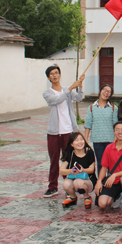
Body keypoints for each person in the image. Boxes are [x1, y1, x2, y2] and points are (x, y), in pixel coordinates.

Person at [42, 65, 85, 198]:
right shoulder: (47, 93)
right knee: (54, 160)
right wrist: (71, 88)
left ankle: (69, 186)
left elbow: (79, 98)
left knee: (69, 159)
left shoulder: (67, 90)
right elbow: (57, 100)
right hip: (54, 133)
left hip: (68, 131)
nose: (54, 75)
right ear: (49, 78)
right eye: (51, 74)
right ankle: (52, 187)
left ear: (60, 75)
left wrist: (80, 86)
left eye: (56, 73)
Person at [94, 121, 122, 215]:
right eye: (117, 130)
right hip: (113, 181)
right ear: (114, 132)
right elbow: (104, 167)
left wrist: (114, 175)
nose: (120, 132)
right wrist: (99, 181)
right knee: (102, 204)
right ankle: (118, 195)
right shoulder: (109, 148)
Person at [84, 84, 117, 176]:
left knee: (111, 163)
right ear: (100, 90)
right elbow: (88, 124)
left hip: (110, 140)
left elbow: (116, 126)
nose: (106, 93)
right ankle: (100, 182)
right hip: (97, 140)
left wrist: (115, 140)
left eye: (109, 92)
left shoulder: (113, 108)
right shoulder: (92, 107)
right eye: (104, 90)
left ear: (110, 95)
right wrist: (85, 139)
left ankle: (110, 182)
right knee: (100, 163)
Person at [60, 132, 97, 209]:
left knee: (78, 182)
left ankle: (87, 197)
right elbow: (61, 170)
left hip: (88, 180)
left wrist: (83, 170)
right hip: (73, 177)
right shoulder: (70, 153)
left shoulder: (89, 152)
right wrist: (71, 171)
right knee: (66, 184)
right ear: (72, 144)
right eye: (76, 140)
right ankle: (73, 197)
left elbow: (92, 170)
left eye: (81, 139)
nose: (80, 142)